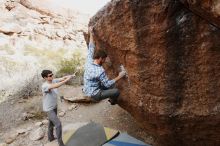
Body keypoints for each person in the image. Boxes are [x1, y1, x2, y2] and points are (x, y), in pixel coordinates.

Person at [83, 27, 126, 105]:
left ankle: (109, 96)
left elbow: (91, 46)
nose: (105, 61)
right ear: (100, 58)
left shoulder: (88, 61)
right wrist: (120, 76)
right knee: (116, 91)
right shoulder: (100, 71)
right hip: (94, 94)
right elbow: (107, 84)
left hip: (87, 90)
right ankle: (113, 101)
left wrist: (91, 33)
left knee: (111, 84)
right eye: (104, 59)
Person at [41, 70, 74, 146]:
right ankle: (60, 143)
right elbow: (56, 85)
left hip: (54, 106)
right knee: (58, 124)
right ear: (45, 77)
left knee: (51, 123)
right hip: (49, 109)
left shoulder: (53, 80)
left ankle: (51, 137)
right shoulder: (45, 86)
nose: (52, 76)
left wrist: (70, 76)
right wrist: (67, 80)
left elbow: (62, 78)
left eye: (52, 74)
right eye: (50, 75)